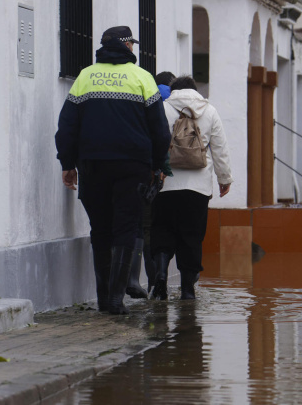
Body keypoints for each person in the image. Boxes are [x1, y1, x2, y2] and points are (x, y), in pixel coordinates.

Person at [55, 25, 171, 315]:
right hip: (133, 166)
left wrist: (68, 164)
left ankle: (104, 298)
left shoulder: (85, 77)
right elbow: (160, 131)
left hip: (92, 164)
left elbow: (67, 126)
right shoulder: (143, 78)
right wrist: (159, 166)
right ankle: (116, 300)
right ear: (127, 46)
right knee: (126, 227)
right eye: (132, 43)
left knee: (100, 228)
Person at [151, 76, 232, 300]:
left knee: (162, 230)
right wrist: (224, 179)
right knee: (192, 236)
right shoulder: (210, 111)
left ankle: (160, 276)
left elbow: (152, 141)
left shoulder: (162, 108)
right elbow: (220, 149)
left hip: (166, 185)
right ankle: (187, 289)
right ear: (195, 91)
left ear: (173, 90)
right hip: (198, 188)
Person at [137, 71, 177, 295]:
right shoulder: (179, 105)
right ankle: (169, 275)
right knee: (169, 229)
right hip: (175, 181)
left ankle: (153, 281)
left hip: (147, 175)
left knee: (146, 230)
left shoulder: (146, 99)